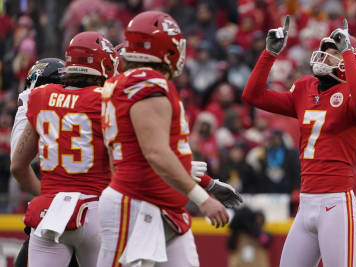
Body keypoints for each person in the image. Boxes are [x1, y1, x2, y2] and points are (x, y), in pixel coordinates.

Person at [97, 11, 232, 267]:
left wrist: (201, 180)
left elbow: (140, 150)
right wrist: (202, 199)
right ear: (167, 48)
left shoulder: (122, 82)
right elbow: (156, 153)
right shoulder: (148, 84)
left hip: (164, 206)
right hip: (135, 202)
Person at [242, 16, 356, 267]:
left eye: (333, 53)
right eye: (324, 52)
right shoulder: (306, 88)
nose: (324, 57)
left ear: (351, 61)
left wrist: (347, 51)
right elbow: (253, 95)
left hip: (336, 203)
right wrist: (269, 54)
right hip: (306, 203)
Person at [10, 31, 119, 267]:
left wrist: (48, 193)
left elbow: (18, 166)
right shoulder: (107, 100)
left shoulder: (42, 96)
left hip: (49, 213)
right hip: (95, 212)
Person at [10, 58, 81, 267]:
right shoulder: (81, 106)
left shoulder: (39, 107)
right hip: (89, 211)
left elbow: (17, 163)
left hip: (53, 216)